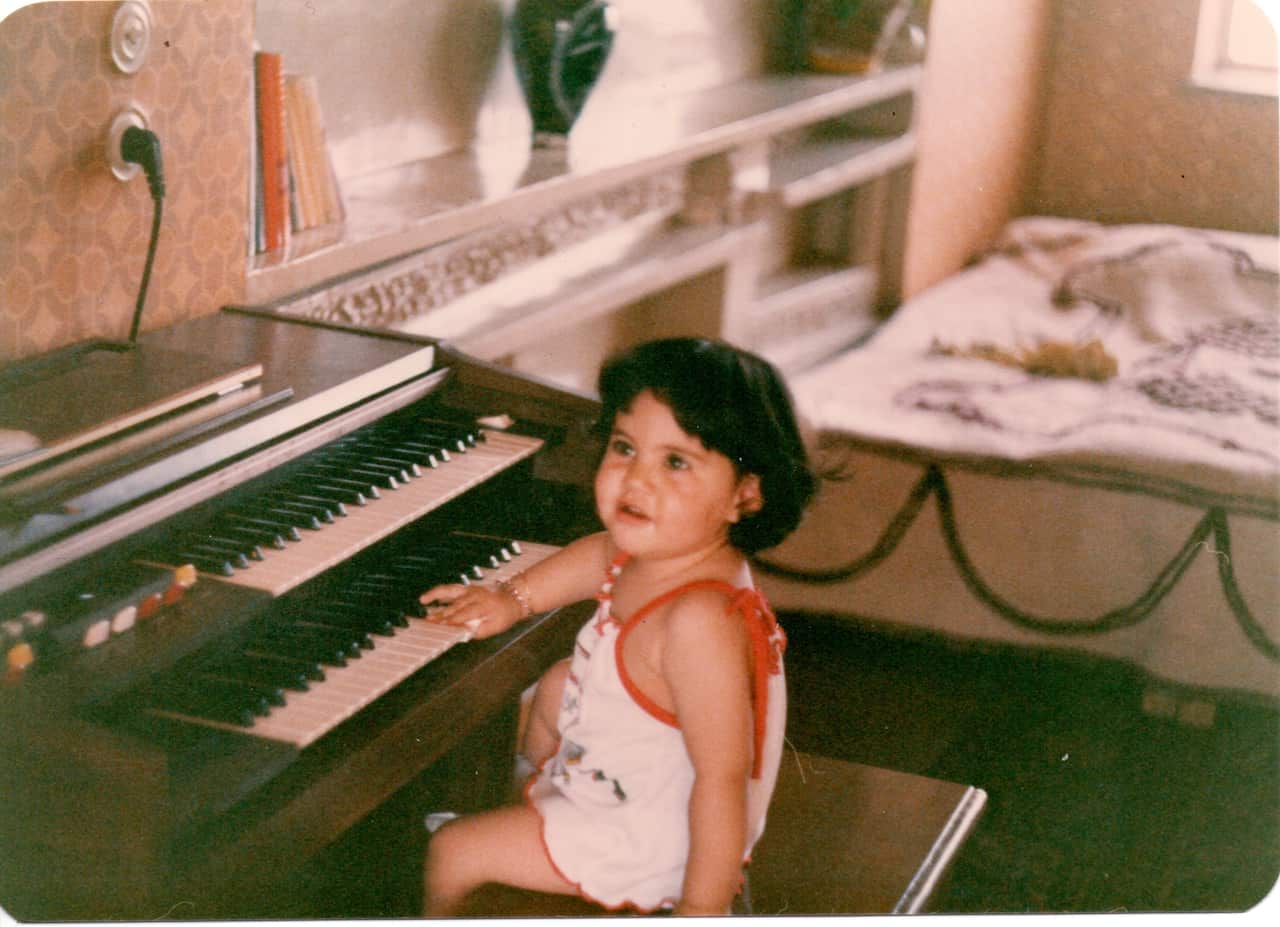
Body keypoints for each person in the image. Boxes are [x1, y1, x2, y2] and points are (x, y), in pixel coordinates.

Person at [419, 337, 816, 916]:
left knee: (451, 851)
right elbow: (598, 555)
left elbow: (723, 783)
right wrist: (510, 599)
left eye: (676, 462)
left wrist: (700, 911)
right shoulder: (665, 552)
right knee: (554, 687)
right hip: (637, 787)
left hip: (659, 842)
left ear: (745, 494)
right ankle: (533, 823)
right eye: (625, 447)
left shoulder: (699, 621)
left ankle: (526, 853)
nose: (637, 479)